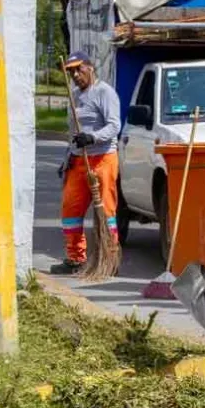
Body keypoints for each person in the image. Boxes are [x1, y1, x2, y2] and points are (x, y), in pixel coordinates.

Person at [51, 50, 122, 275]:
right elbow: (73, 133)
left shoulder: (104, 92)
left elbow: (114, 126)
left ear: (90, 67)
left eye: (79, 69)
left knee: (106, 211)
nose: (75, 75)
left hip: (102, 159)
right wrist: (67, 158)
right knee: (70, 209)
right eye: (71, 71)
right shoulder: (75, 96)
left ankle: (109, 258)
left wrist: (92, 137)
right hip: (79, 161)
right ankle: (75, 258)